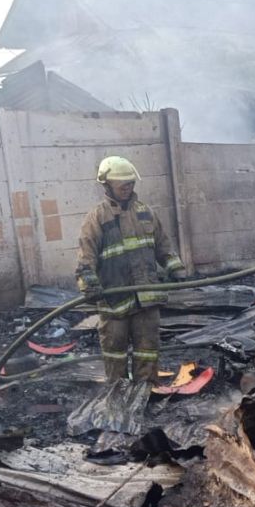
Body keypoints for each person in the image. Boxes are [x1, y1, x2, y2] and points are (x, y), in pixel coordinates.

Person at [75, 156, 185, 384]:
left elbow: (163, 246)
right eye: (122, 184)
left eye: (130, 183)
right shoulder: (97, 217)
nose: (128, 188)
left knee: (148, 350)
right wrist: (89, 284)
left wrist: (175, 268)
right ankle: (119, 397)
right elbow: (86, 257)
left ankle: (146, 394)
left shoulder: (146, 213)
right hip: (115, 300)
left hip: (146, 298)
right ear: (107, 186)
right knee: (115, 353)